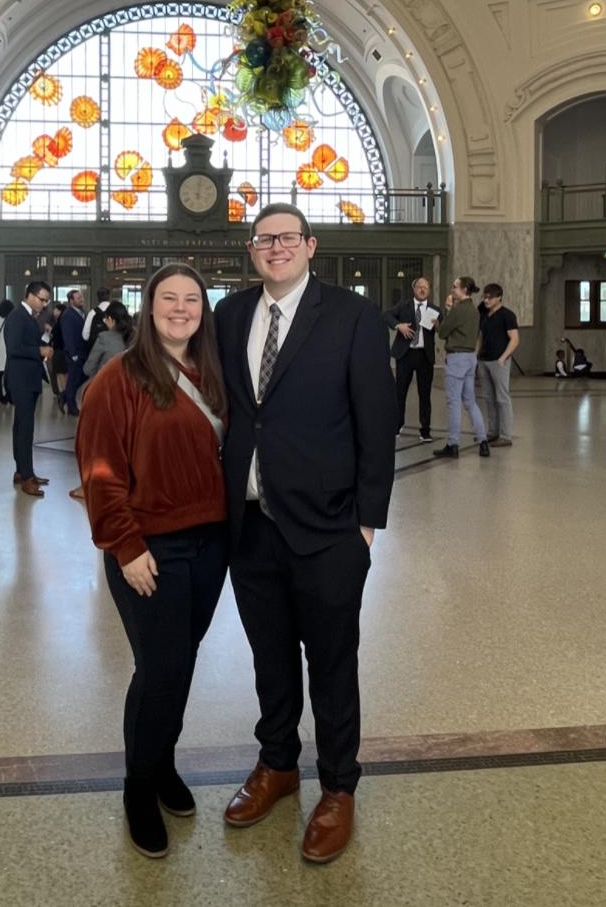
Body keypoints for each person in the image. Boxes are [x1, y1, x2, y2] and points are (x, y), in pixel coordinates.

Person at [214, 204, 396, 865]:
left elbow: (377, 420)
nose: (276, 247)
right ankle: (278, 764)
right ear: (252, 249)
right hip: (252, 526)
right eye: (265, 239)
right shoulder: (230, 315)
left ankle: (339, 786)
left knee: (332, 660)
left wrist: (367, 524)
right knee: (270, 657)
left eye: (287, 237)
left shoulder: (350, 316)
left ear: (310, 245)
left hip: (328, 528)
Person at [76, 264, 229, 860]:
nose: (181, 308)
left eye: (192, 299)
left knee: (180, 665)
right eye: (170, 298)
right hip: (149, 548)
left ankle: (161, 763)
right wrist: (127, 545)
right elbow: (99, 471)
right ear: (148, 306)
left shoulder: (212, 372)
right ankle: (139, 785)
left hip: (210, 544)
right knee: (160, 669)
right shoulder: (118, 379)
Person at [5, 281, 53, 496]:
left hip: (29, 378)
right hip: (21, 379)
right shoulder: (17, 316)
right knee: (25, 428)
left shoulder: (30, 317)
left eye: (46, 300)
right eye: (42, 299)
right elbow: (14, 348)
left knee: (23, 426)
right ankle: (27, 476)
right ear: (30, 295)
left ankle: (23, 471)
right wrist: (39, 350)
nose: (44, 304)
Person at [434, 276, 490, 459]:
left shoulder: (459, 310)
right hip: (470, 358)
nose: (452, 290)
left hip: (457, 358)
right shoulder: (474, 311)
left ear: (465, 289)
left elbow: (442, 333)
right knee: (470, 401)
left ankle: (453, 444)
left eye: (455, 287)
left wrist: (447, 312)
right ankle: (483, 441)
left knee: (453, 402)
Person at [382, 275, 441, 442]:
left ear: (429, 291)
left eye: (426, 287)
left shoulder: (435, 310)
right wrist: (398, 326)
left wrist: (439, 325)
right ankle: (397, 425)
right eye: (419, 287)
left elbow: (443, 329)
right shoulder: (404, 306)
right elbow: (386, 315)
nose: (422, 290)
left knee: (425, 394)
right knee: (399, 392)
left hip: (425, 355)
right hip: (405, 354)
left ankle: (425, 430)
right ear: (414, 289)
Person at [477, 283, 520, 448]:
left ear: (499, 297)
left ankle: (506, 435)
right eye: (484, 297)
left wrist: (503, 358)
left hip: (499, 361)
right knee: (488, 397)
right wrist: (476, 355)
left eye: (490, 297)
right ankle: (493, 432)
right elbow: (481, 336)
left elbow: (515, 339)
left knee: (502, 398)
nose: (486, 300)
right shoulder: (485, 315)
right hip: (484, 360)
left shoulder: (507, 315)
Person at [84, 302, 133, 380]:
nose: (105, 322)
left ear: (110, 319)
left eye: (105, 319)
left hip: (108, 384)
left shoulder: (104, 337)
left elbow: (88, 369)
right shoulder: (136, 336)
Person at [61, 289, 87, 415]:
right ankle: (71, 407)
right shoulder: (67, 315)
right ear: (71, 301)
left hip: (82, 353)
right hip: (74, 354)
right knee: (73, 380)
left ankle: (64, 396)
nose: (81, 299)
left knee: (80, 378)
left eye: (81, 297)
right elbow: (68, 336)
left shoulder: (82, 312)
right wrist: (73, 354)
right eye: (78, 298)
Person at [0, 299, 15, 405]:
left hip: (0, 349)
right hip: (10, 348)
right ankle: (9, 395)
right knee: (10, 375)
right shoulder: (13, 318)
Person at [81, 287, 112, 354]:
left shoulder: (92, 313)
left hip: (96, 352)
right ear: (109, 296)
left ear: (97, 297)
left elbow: (85, 336)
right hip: (113, 351)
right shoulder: (116, 311)